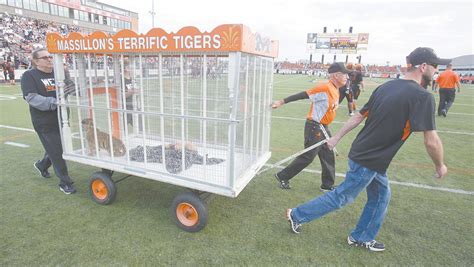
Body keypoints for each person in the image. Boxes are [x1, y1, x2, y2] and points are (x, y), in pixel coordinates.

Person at [285, 47, 448, 252]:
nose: (436, 71)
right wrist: (440, 165)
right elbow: (431, 140)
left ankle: (361, 236)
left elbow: (358, 116)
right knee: (343, 196)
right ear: (423, 66)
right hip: (370, 158)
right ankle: (297, 215)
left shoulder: (386, 87)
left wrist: (336, 137)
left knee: (381, 196)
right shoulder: (423, 96)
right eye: (435, 67)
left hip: (368, 155)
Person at [272, 62, 349, 192]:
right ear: (336, 75)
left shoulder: (336, 89)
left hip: (324, 127)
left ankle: (327, 185)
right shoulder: (324, 87)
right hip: (315, 127)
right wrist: (282, 102)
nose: (347, 77)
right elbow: (303, 94)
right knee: (308, 156)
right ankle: (282, 176)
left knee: (328, 155)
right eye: (345, 74)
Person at [21, 48, 76, 194]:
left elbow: (72, 89)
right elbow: (31, 98)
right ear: (36, 61)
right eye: (45, 57)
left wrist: (68, 77)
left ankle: (42, 165)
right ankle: (65, 182)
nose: (50, 59)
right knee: (57, 150)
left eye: (50, 57)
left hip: (62, 118)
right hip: (44, 121)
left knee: (59, 147)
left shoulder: (58, 73)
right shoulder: (29, 76)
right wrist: (55, 102)